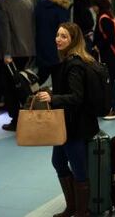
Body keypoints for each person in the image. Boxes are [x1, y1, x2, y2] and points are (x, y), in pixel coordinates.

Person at [37, 22, 99, 217]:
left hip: (75, 126)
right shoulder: (69, 61)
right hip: (65, 124)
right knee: (58, 162)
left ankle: (82, 211)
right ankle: (72, 207)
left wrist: (53, 97)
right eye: (58, 35)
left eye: (64, 36)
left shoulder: (74, 64)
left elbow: (77, 97)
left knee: (78, 168)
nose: (58, 39)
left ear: (73, 40)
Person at [0, 0, 35, 131]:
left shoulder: (1, 3)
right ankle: (29, 115)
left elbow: (4, 30)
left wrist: (6, 54)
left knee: (10, 88)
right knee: (24, 86)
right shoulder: (27, 2)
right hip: (27, 52)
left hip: (10, 54)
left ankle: (16, 120)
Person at [91, 0, 115, 120]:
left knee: (110, 83)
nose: (92, 8)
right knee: (108, 83)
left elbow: (111, 38)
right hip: (109, 57)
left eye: (93, 5)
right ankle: (109, 108)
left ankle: (114, 109)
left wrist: (98, 45)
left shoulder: (103, 18)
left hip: (107, 57)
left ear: (97, 6)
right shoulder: (107, 15)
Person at [35, 0, 72, 85]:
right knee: (58, 80)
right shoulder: (61, 8)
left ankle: (27, 97)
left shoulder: (41, 3)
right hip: (57, 49)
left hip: (42, 47)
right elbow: (65, 29)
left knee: (41, 76)